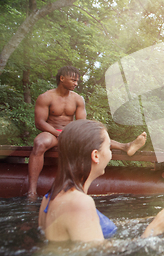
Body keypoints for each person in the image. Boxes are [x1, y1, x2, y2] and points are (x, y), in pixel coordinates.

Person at [38, 119, 164, 241]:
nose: (110, 154)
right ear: (96, 155)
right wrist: (157, 227)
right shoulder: (80, 203)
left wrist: (146, 221)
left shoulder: (49, 197)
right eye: (109, 147)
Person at [27, 66, 147, 198]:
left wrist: (71, 134)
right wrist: (57, 133)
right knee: (39, 142)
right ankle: (31, 191)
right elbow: (40, 122)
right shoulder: (46, 97)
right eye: (73, 80)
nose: (76, 84)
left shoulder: (78, 99)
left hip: (70, 132)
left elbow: (81, 124)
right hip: (52, 132)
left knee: (94, 136)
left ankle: (126, 146)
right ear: (62, 78)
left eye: (77, 81)